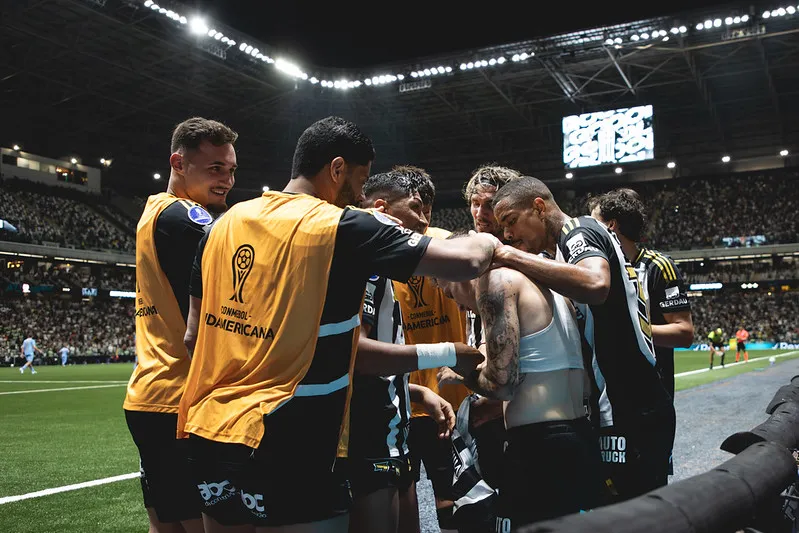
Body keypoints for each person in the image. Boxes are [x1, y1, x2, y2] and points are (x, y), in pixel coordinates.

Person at [177, 116, 499, 533]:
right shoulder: (340, 226)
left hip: (208, 427)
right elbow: (470, 261)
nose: (362, 194)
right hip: (289, 435)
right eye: (361, 180)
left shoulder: (223, 224)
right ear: (336, 169)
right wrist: (492, 236)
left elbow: (192, 336)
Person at [491, 176, 675, 502]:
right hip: (616, 407)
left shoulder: (579, 230)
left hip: (630, 407)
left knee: (634, 517)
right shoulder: (558, 254)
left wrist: (508, 256)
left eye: (511, 221)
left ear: (538, 207)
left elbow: (595, 284)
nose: (506, 234)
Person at [436, 237, 603, 528]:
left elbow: (502, 384)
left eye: (450, 294)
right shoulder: (543, 281)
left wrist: (463, 371)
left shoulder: (497, 280)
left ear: (458, 273)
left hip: (539, 448)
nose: (460, 308)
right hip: (577, 434)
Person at [124, 116, 238, 533]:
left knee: (165, 524)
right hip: (179, 399)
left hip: (149, 397)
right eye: (214, 169)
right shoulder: (186, 218)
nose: (226, 180)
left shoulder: (153, 211)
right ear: (178, 163)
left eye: (230, 170)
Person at [347, 170, 478, 533]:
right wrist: (446, 353)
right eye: (416, 208)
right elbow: (356, 354)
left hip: (403, 410)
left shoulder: (399, 258)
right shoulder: (369, 268)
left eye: (428, 210)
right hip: (373, 425)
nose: (424, 220)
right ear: (381, 209)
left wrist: (417, 391)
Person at [588, 189, 694, 479]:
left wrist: (631, 330)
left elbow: (684, 332)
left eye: (594, 223)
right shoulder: (596, 271)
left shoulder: (659, 266)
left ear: (610, 226)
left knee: (647, 492)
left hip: (647, 406)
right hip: (602, 404)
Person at [390, 166, 472, 533]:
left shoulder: (384, 250)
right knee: (453, 490)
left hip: (403, 397)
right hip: (452, 392)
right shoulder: (451, 246)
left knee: (399, 490)